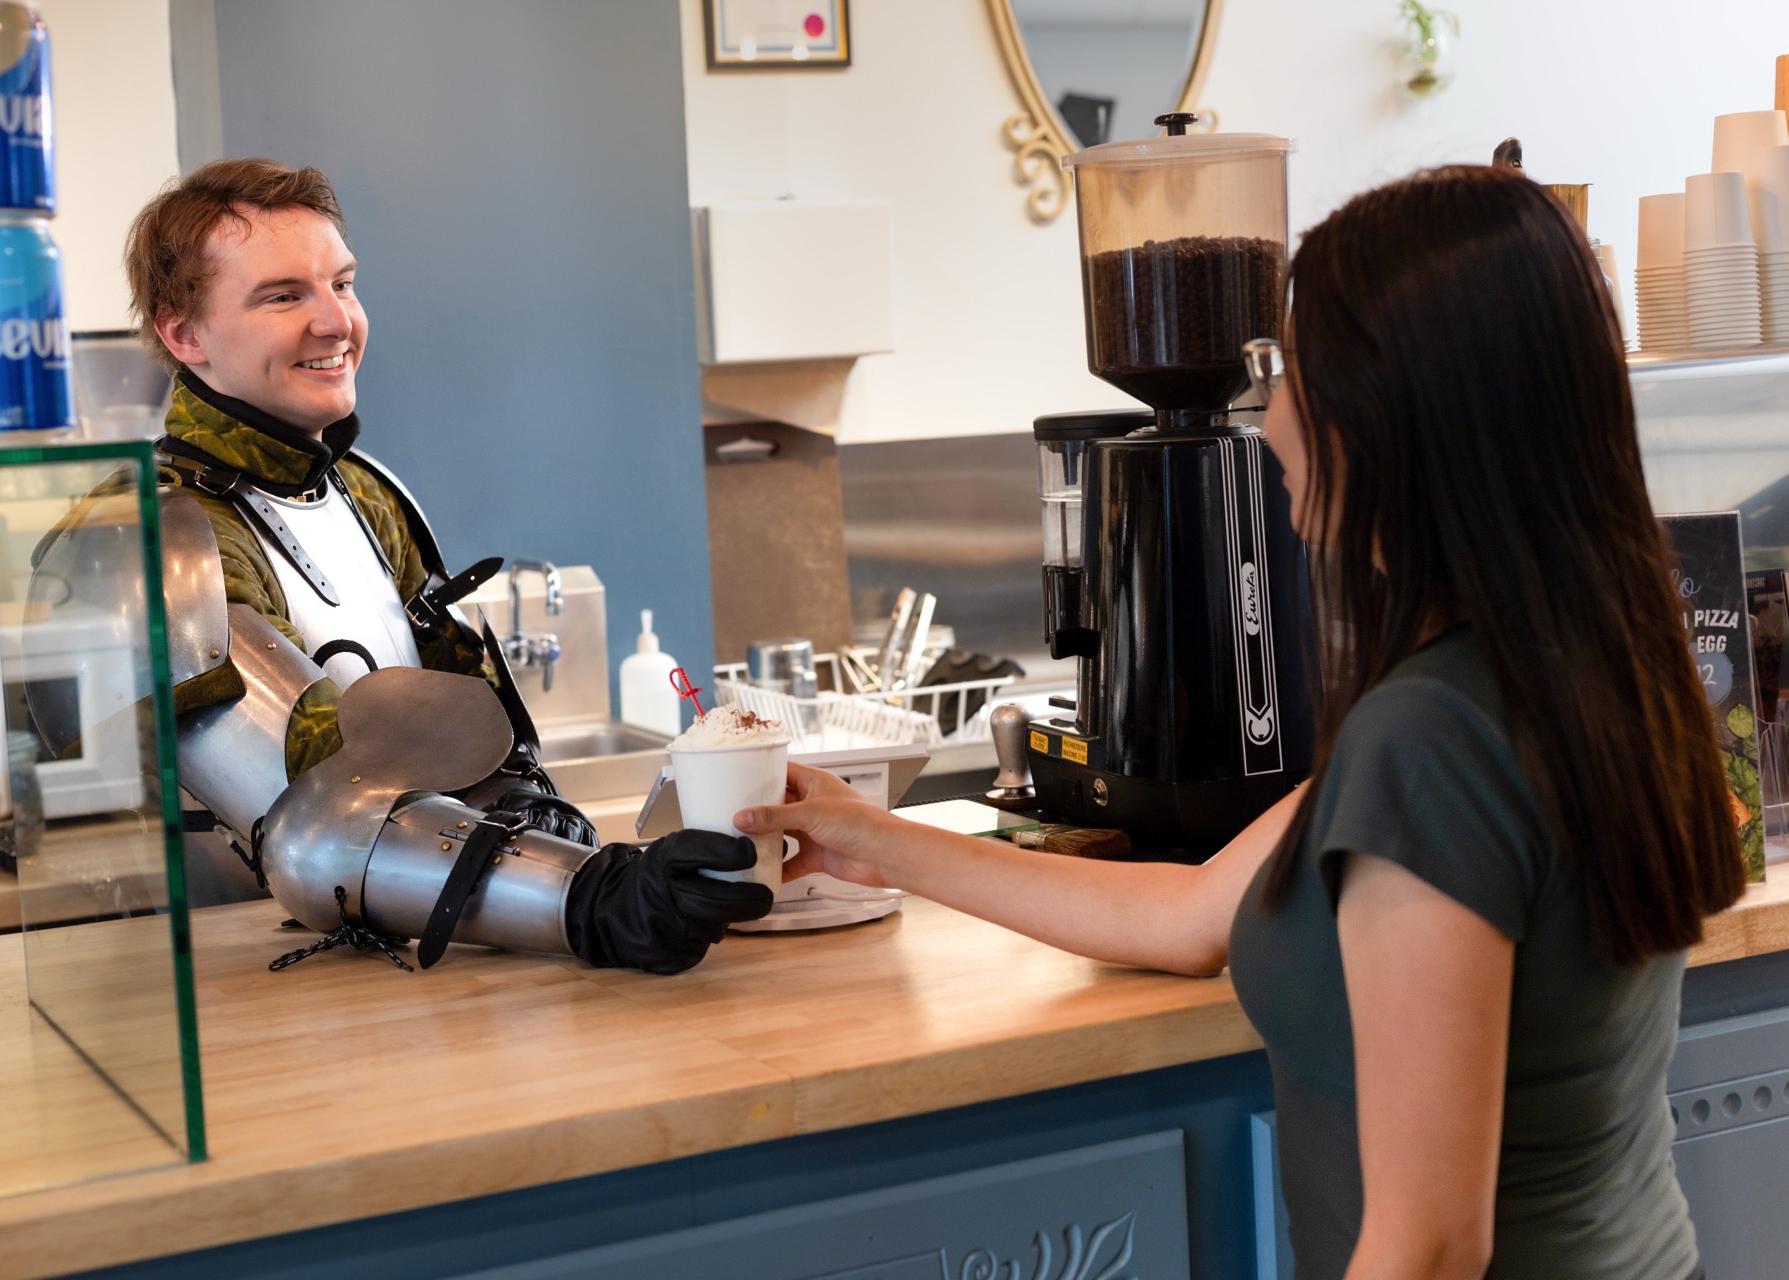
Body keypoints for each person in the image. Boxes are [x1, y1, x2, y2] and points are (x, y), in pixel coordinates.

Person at [738, 166, 1745, 1279]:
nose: (1270, 426)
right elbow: (1189, 914)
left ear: (1397, 416)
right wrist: (867, 837)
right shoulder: (1581, 671)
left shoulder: (1431, 742)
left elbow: (1432, 1245)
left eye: (1294, 377)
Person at [96, 158, 769, 972]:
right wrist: (584, 898)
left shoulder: (367, 492)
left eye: (341, 284)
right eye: (283, 296)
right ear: (183, 334)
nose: (335, 321)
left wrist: (546, 834)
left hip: (421, 960)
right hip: (234, 988)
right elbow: (320, 816)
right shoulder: (157, 539)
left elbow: (458, 736)